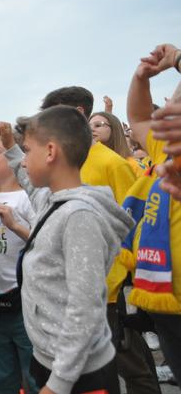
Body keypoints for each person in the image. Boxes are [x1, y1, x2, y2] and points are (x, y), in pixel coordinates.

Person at [0, 107, 134, 394]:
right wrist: (10, 146)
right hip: (52, 360)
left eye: (27, 152)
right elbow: (32, 188)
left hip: (78, 375)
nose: (23, 163)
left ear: (50, 152)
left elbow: (85, 307)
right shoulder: (53, 200)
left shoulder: (78, 217)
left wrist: (59, 383)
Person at [41, 86, 160, 394]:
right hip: (66, 288)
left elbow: (135, 224)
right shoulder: (60, 162)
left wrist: (122, 274)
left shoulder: (111, 163)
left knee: (131, 367)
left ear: (77, 114)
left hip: (108, 290)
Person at [126, 42, 181, 383]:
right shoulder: (167, 150)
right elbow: (141, 118)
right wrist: (142, 78)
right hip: (168, 304)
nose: (171, 107)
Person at [0, 136, 38, 394]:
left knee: (33, 373)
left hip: (23, 304)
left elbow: (44, 242)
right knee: (2, 377)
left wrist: (15, 225)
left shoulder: (26, 198)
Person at [88, 111, 142, 176]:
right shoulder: (81, 164)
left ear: (114, 129)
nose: (91, 129)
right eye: (88, 126)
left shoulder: (132, 165)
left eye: (98, 125)